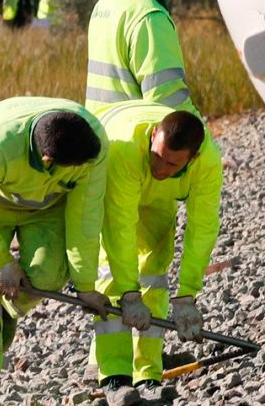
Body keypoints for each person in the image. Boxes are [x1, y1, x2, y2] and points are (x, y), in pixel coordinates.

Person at [0, 98, 111, 406]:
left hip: (46, 208)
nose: (82, 171)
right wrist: (1, 260)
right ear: (48, 160)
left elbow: (85, 222)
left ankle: (6, 313)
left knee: (48, 273)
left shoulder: (91, 146)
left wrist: (87, 287)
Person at [89, 103, 222, 406]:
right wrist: (129, 294)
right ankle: (115, 378)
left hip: (160, 195)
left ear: (194, 158)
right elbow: (119, 230)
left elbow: (202, 229)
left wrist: (187, 294)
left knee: (155, 269)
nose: (160, 168)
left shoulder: (209, 163)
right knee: (112, 273)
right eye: (158, 157)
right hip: (118, 170)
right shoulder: (125, 152)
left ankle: (148, 374)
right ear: (152, 137)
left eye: (172, 165)